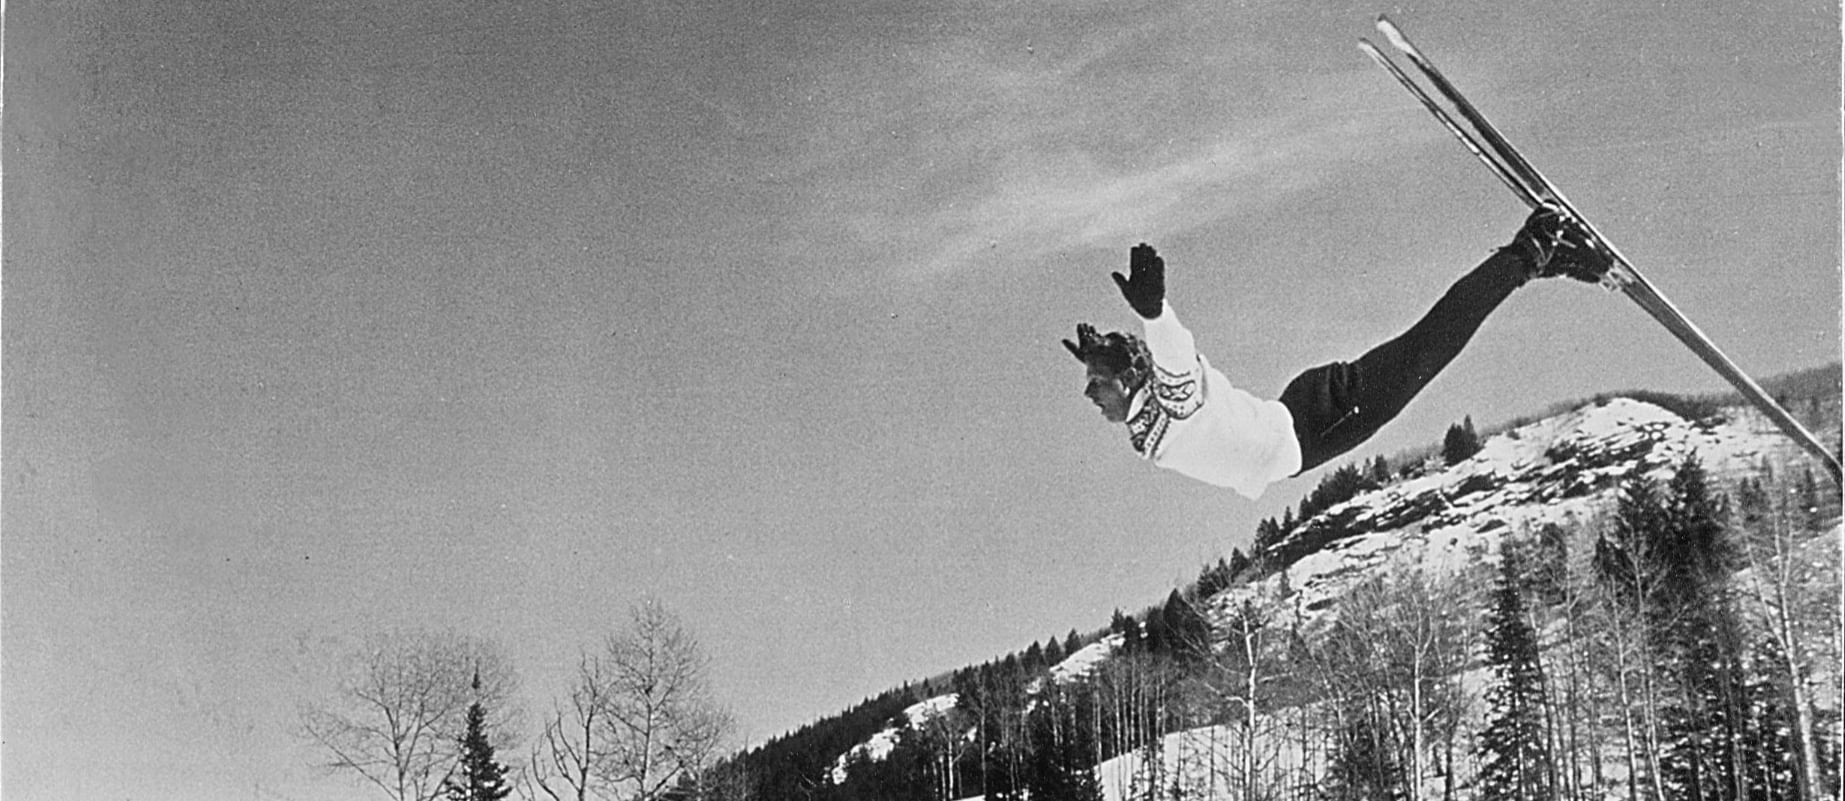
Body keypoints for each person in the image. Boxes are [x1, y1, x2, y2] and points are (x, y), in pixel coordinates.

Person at [1064, 206, 1613, 499]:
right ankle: (1538, 258)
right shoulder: (1148, 425)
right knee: (1426, 349)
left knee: (1429, 347)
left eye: (1097, 383)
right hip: (1304, 417)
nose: (1090, 394)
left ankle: (1536, 247)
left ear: (1134, 378)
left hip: (1315, 423)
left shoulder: (1171, 403)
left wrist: (1155, 314)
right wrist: (1106, 351)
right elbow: (1155, 375)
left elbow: (1175, 363)